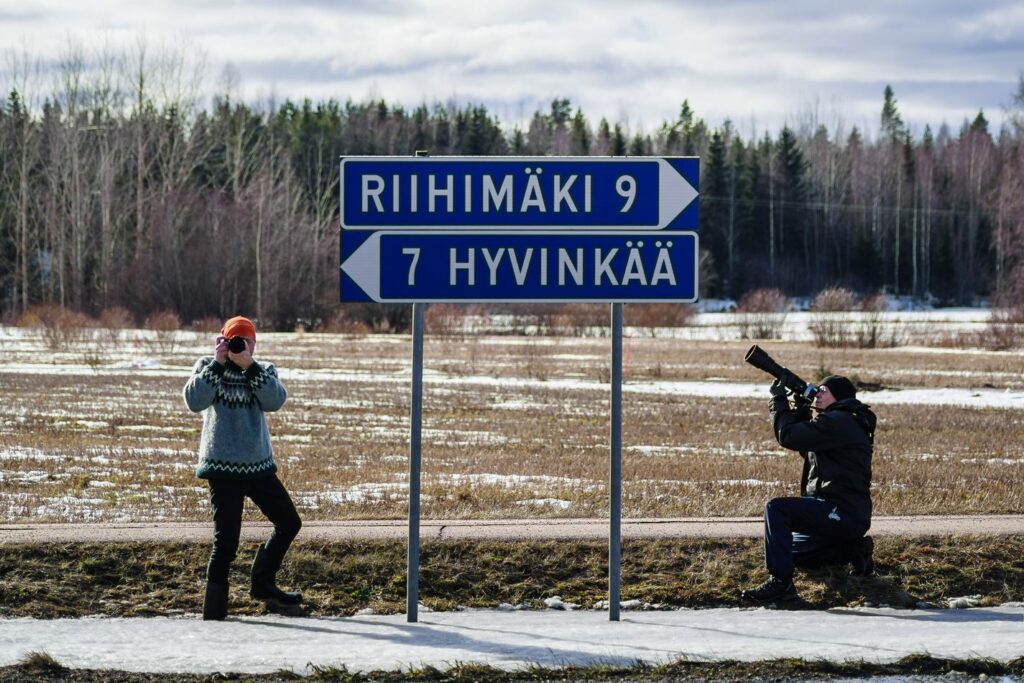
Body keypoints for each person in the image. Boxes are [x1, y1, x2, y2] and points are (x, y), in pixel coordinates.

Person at [183, 315, 302, 620]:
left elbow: (275, 400)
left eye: (244, 341)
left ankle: (263, 584)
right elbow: (194, 401)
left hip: (259, 468)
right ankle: (214, 612)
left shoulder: (262, 371)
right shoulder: (208, 367)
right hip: (222, 471)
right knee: (226, 542)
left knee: (289, 522)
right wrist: (217, 364)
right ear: (222, 340)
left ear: (253, 344)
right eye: (233, 340)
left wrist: (250, 366)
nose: (239, 346)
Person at [742, 374, 877, 605]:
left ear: (839, 396)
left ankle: (781, 584)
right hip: (838, 515)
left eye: (824, 390)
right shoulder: (840, 422)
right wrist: (802, 411)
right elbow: (808, 447)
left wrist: (779, 402)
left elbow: (789, 436)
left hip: (842, 511)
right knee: (789, 553)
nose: (818, 394)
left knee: (777, 509)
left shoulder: (840, 421)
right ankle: (854, 550)